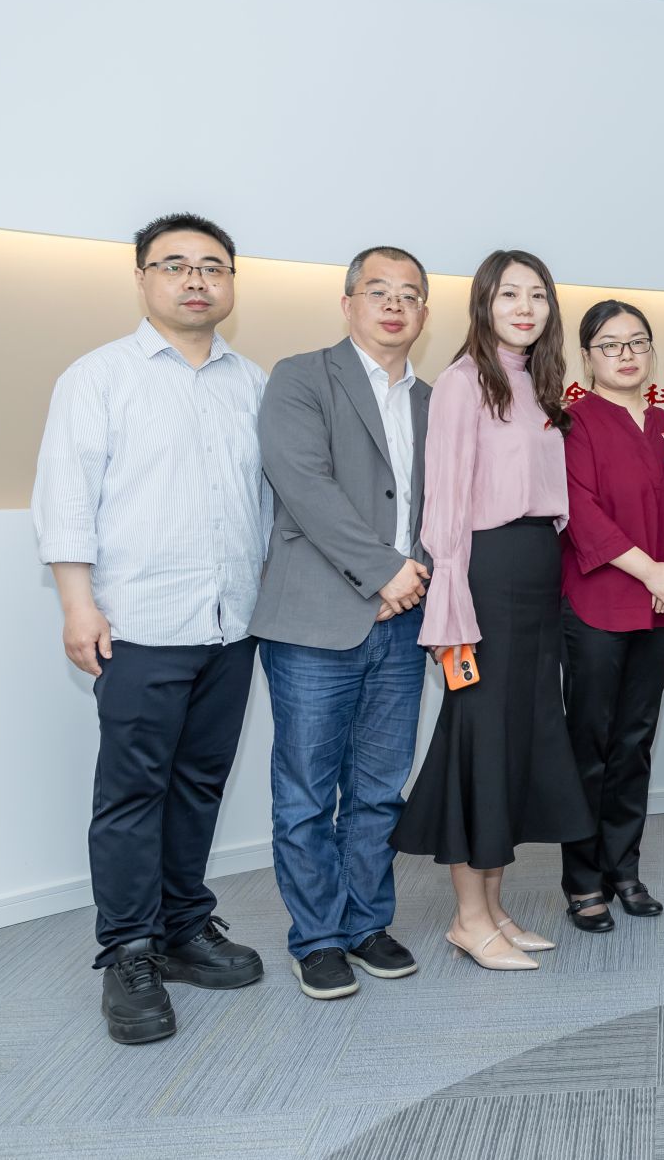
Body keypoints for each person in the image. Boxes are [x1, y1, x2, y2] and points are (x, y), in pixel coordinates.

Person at [32, 212, 270, 1045]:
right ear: (142, 279)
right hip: (136, 624)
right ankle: (129, 950)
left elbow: (267, 504)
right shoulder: (98, 377)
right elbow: (66, 496)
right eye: (174, 265)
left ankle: (183, 926)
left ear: (231, 283)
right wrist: (77, 603)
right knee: (133, 793)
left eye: (212, 265)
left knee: (200, 782)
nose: (195, 279)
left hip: (231, 624)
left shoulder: (254, 382)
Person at [390, 249, 593, 970]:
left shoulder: (538, 382)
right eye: (509, 294)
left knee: (520, 739)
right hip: (485, 574)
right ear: (483, 302)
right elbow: (444, 503)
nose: (525, 307)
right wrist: (451, 607)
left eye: (537, 294)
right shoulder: (462, 381)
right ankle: (467, 918)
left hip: (537, 568)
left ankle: (495, 908)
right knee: (479, 738)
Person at [252, 246, 434, 1000]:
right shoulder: (301, 377)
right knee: (306, 791)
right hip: (314, 621)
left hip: (404, 622)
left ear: (424, 312)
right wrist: (385, 572)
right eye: (378, 290)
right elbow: (304, 485)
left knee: (379, 789)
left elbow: (446, 506)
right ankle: (317, 937)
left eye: (410, 294)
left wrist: (415, 575)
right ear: (348, 302)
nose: (394, 305)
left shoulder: (434, 400)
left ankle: (366, 923)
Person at [557, 299, 664, 934]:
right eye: (610, 345)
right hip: (597, 602)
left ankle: (623, 868)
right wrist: (653, 572)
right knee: (591, 745)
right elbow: (579, 511)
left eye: (637, 342)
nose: (626, 355)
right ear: (588, 358)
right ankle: (583, 881)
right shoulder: (573, 421)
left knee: (635, 743)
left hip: (658, 604)